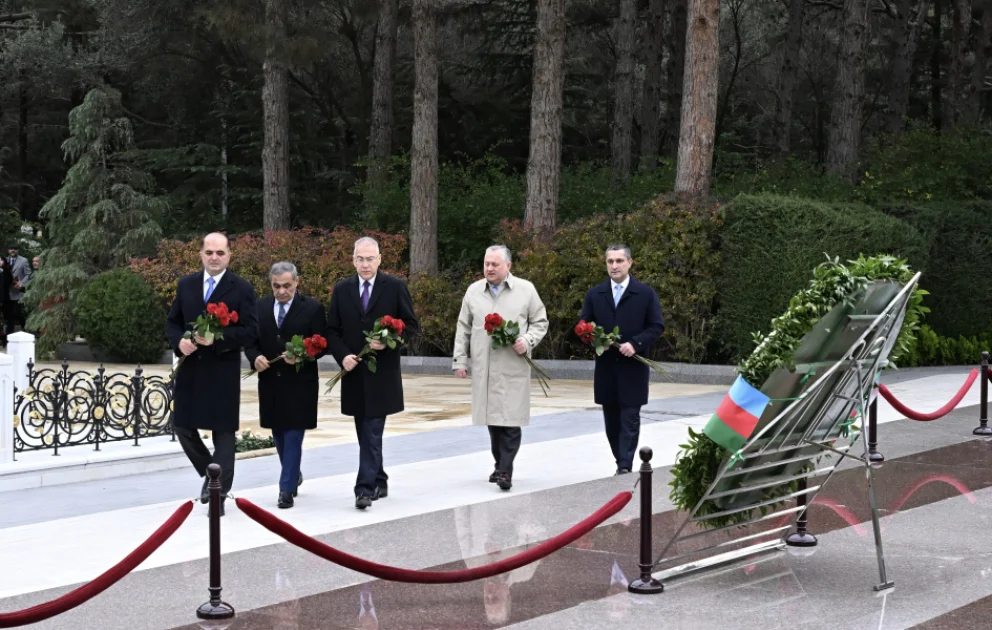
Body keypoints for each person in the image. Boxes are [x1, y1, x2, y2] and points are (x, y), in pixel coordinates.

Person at [166, 232, 258, 516]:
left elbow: (250, 331)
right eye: (209, 252)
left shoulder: (241, 288)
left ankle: (218, 496)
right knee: (181, 426)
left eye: (220, 253)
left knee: (223, 434)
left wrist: (217, 340)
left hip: (221, 371)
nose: (214, 258)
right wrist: (179, 341)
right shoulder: (187, 285)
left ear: (229, 255)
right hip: (191, 369)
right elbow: (173, 322)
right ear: (201, 254)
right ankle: (211, 475)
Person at [325, 236, 419, 510]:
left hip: (382, 375)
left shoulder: (395, 287)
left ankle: (364, 488)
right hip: (353, 373)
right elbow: (332, 330)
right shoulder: (342, 290)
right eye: (360, 259)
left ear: (379, 259)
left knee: (372, 429)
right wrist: (343, 356)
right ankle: (379, 478)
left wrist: (388, 342)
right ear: (353, 260)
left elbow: (411, 328)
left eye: (370, 259)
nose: (365, 264)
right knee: (363, 431)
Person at [452, 245, 548, 491]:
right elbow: (463, 327)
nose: (489, 268)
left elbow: (540, 322)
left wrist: (526, 341)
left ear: (508, 266)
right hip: (485, 368)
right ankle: (499, 464)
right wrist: (460, 361)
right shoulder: (474, 291)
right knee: (493, 421)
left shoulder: (526, 290)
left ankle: (506, 470)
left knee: (510, 419)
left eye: (495, 264)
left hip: (512, 366)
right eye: (486, 264)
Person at [244, 262, 327, 509]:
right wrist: (254, 357)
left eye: (287, 286)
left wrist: (302, 355)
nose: (282, 291)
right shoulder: (259, 307)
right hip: (270, 382)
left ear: (297, 282)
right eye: (277, 286)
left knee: (293, 434)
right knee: (278, 433)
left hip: (300, 383)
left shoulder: (312, 308)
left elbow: (322, 344)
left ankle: (286, 488)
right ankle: (293, 473)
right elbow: (250, 341)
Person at [579, 244, 664, 474]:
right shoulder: (595, 294)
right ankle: (620, 460)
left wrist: (636, 344)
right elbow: (582, 326)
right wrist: (597, 340)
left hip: (633, 370)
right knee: (612, 422)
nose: (614, 266)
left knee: (630, 418)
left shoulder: (645, 294)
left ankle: (625, 465)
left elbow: (656, 326)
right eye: (610, 261)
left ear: (630, 262)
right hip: (606, 369)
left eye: (619, 261)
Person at [5, 244, 31, 336]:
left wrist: (21, 283)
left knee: (17, 313)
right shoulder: (4, 260)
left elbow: (28, 274)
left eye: (15, 249)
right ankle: (9, 336)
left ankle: (26, 330)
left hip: (19, 292)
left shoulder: (23, 261)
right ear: (8, 250)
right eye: (11, 249)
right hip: (7, 293)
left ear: (18, 250)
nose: (13, 250)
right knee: (9, 316)